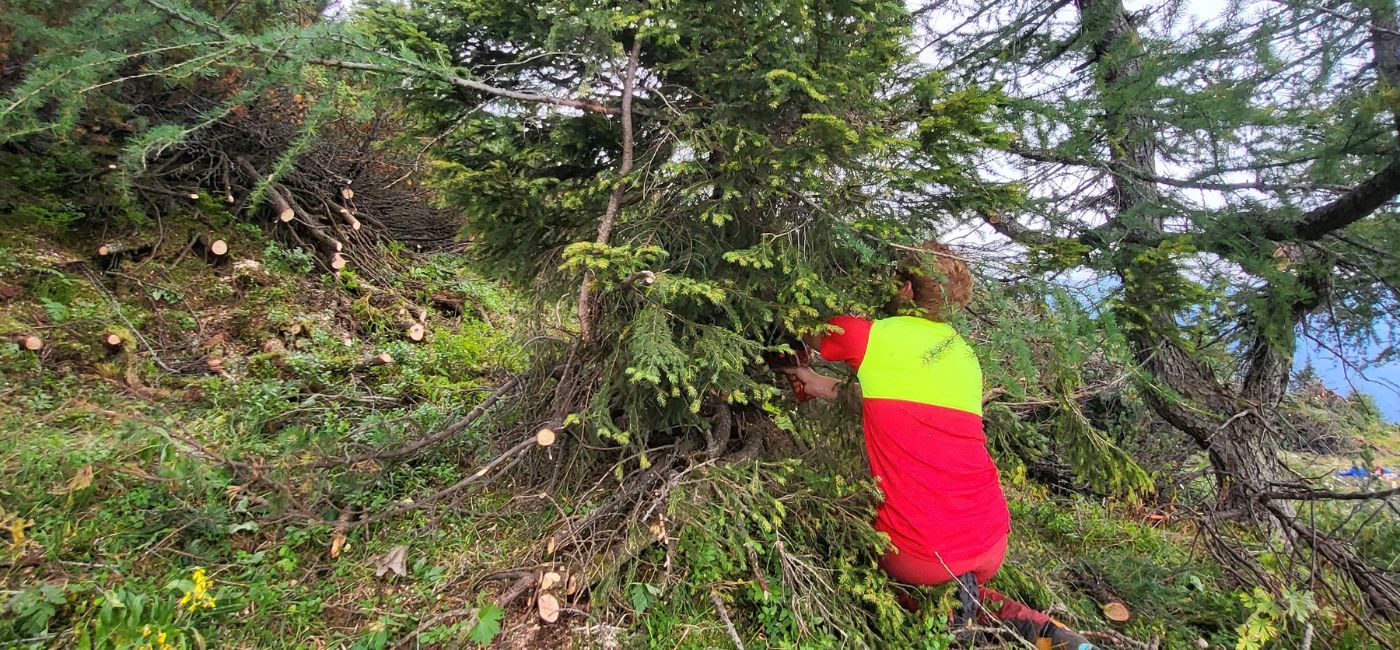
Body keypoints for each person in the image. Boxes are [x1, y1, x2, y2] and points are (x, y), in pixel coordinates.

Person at [779, 243, 1095, 649]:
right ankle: (1047, 634)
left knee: (890, 572)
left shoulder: (870, 336)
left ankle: (941, 618)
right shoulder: (963, 355)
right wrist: (815, 382)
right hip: (990, 537)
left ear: (908, 291)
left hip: (919, 549)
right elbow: (892, 407)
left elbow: (799, 326)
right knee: (959, 589)